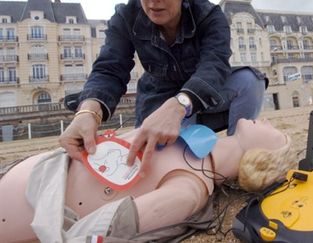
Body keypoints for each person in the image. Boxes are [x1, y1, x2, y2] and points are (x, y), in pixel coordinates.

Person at [59, 0, 268, 174]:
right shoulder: (127, 15)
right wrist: (87, 111)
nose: (152, 2)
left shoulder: (209, 15)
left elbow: (214, 65)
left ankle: (238, 153)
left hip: (202, 94)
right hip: (157, 97)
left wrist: (180, 104)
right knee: (163, 162)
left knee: (250, 81)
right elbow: (110, 68)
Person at [0, 119, 294, 242]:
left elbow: (108, 225)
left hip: (25, 202)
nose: (268, 122)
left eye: (276, 133)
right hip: (36, 170)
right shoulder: (186, 136)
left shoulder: (190, 188)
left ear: (262, 158)